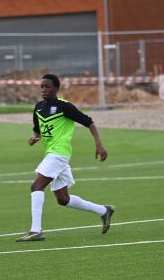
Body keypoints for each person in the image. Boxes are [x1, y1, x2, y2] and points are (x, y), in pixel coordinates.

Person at [16, 74, 115, 242]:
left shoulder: (64, 107)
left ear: (56, 88)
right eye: (41, 87)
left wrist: (99, 145)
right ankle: (104, 211)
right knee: (63, 199)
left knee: (36, 186)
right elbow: (38, 129)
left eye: (47, 86)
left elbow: (89, 122)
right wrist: (35, 137)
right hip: (52, 153)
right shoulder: (39, 107)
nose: (43, 90)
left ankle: (36, 230)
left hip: (59, 153)